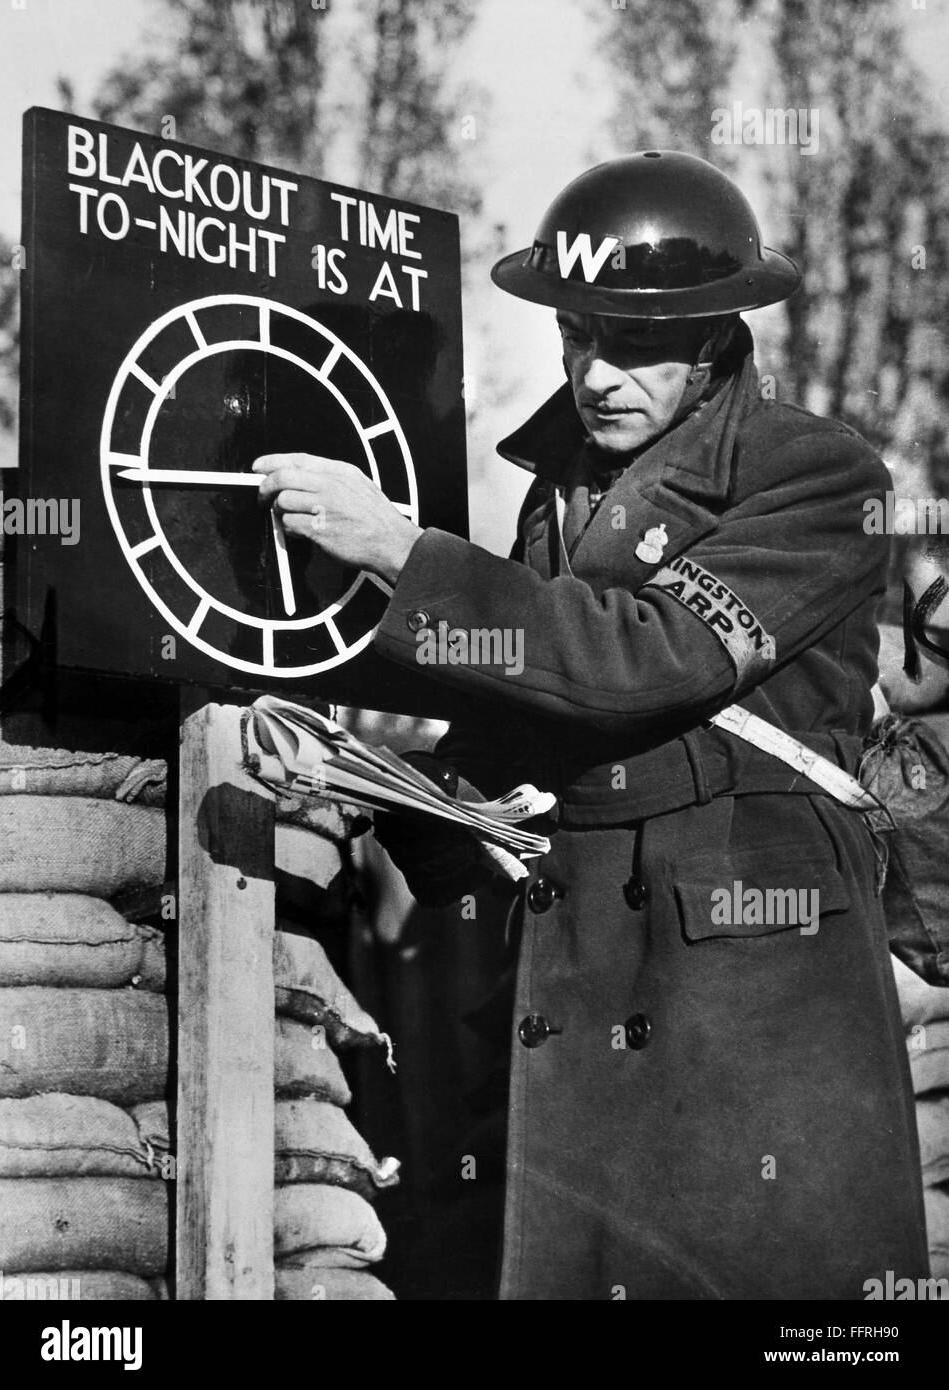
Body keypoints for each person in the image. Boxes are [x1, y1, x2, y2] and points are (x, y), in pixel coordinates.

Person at [256, 151, 930, 1300]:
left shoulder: (815, 473)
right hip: (590, 951)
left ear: (716, 337)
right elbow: (537, 694)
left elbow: (640, 660)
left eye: (632, 342)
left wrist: (402, 553)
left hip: (747, 984)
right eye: (577, 336)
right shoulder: (560, 487)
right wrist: (394, 777)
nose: (594, 373)